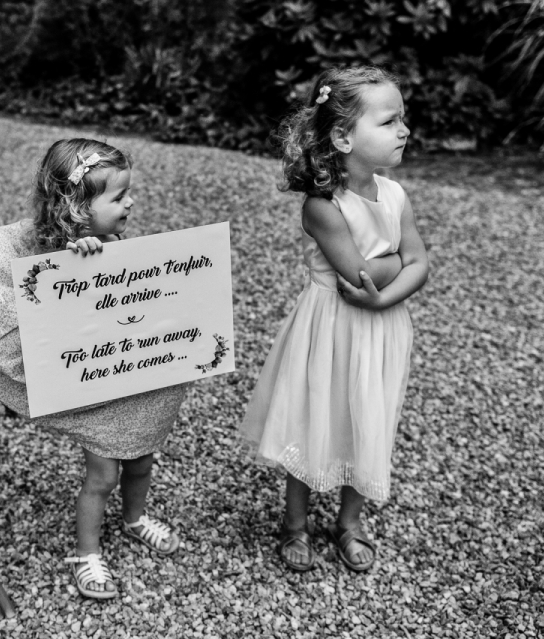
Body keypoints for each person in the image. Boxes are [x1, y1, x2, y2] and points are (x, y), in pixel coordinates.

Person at [0, 139, 185, 599]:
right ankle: (87, 554)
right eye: (118, 198)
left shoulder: (113, 242)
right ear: (77, 209)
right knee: (103, 476)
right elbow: (49, 295)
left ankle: (136, 517)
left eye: (127, 193)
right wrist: (78, 256)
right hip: (95, 389)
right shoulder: (64, 250)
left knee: (142, 457)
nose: (130, 203)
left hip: (128, 375)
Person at [240, 66, 429, 573]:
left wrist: (385, 300)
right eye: (389, 122)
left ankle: (349, 522)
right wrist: (395, 267)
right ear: (344, 137)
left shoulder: (394, 195)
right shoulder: (323, 206)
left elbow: (421, 265)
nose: (404, 130)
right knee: (316, 414)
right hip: (330, 328)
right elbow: (360, 271)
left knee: (367, 416)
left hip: (382, 326)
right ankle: (294, 523)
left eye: (402, 119)